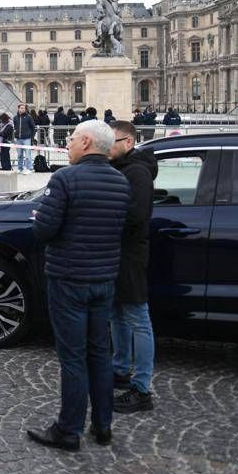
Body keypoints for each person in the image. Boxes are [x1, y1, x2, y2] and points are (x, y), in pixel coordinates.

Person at [26, 119, 129, 451]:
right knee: (100, 354)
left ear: (85, 142)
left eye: (71, 139)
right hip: (103, 279)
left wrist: (39, 217)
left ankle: (69, 430)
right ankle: (103, 426)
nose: (67, 145)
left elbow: (44, 230)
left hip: (69, 279)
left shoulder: (65, 179)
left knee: (72, 358)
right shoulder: (119, 181)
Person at [108, 120, 158, 415]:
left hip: (130, 254)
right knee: (117, 313)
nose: (106, 147)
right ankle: (119, 369)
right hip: (118, 252)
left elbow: (135, 216)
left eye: (111, 141)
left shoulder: (136, 172)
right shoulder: (123, 168)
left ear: (128, 142)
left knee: (138, 316)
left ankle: (141, 388)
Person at [12, 103, 36, 174]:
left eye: (24, 108)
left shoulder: (29, 117)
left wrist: (31, 136)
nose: (23, 109)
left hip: (26, 138)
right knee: (19, 155)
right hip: (18, 139)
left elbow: (33, 127)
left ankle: (29, 168)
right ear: (18, 108)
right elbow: (15, 128)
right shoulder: (15, 118)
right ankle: (20, 168)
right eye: (21, 108)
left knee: (28, 154)